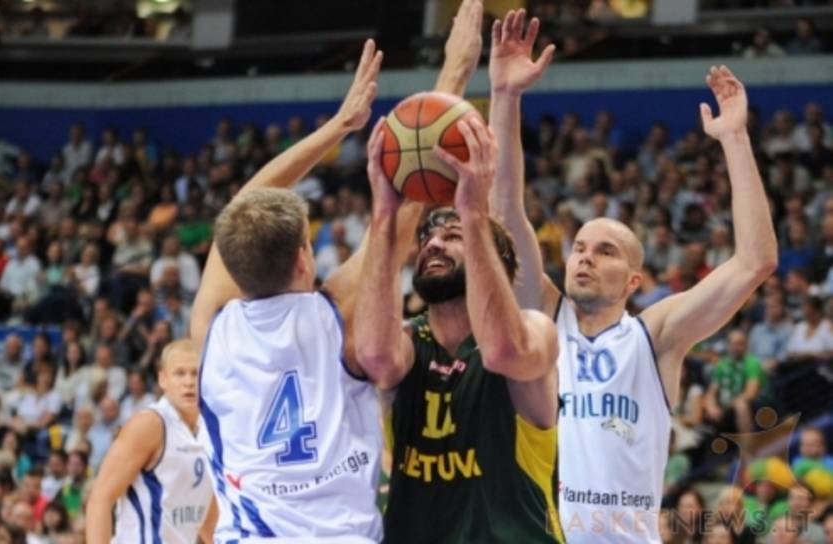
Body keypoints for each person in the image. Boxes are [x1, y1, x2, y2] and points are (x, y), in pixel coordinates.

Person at [190, 3, 482, 539]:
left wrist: (335, 127)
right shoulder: (334, 316)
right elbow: (405, 210)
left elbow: (245, 205)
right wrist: (455, 71)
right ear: (305, 258)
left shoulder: (210, 328)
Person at [493, 64, 777, 541]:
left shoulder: (654, 336)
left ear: (633, 281)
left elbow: (755, 262)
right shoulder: (544, 316)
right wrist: (504, 95)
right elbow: (504, 217)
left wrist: (734, 138)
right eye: (579, 248)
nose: (586, 257)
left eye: (606, 251)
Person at [355, 11, 562, 542]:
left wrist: (473, 213)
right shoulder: (408, 343)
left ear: (500, 266)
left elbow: (502, 351)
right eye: (429, 236)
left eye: (453, 237)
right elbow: (374, 358)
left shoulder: (536, 333)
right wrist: (384, 215)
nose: (433, 243)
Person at [85, 339, 216, 544]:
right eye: (180, 373)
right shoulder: (150, 424)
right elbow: (100, 498)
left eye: (196, 373)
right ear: (163, 379)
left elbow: (208, 520)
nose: (189, 382)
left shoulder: (210, 432)